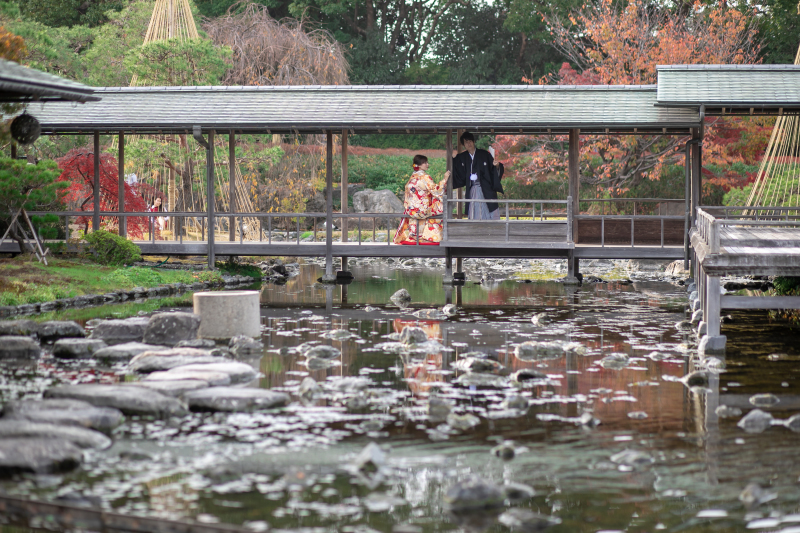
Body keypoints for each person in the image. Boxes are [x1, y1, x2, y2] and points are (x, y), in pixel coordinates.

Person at [393, 154, 451, 245]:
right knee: (438, 202)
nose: (427, 164)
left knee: (416, 218)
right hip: (422, 209)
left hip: (411, 209)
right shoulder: (425, 177)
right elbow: (437, 190)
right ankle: (429, 236)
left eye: (427, 162)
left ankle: (414, 236)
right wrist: (444, 180)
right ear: (419, 165)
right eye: (425, 163)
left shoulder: (412, 177)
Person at [451, 132, 504, 220]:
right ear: (463, 144)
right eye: (466, 142)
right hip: (472, 189)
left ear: (474, 141)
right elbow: (454, 167)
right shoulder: (461, 157)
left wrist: (497, 166)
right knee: (474, 210)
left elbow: (493, 170)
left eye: (470, 141)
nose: (469, 144)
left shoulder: (484, 154)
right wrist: (450, 152)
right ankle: (475, 227)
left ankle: (491, 229)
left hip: (486, 189)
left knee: (489, 209)